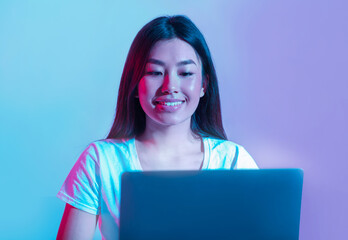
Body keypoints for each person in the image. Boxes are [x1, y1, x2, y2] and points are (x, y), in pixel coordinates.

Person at [56, 15, 258, 240]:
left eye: (186, 73)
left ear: (204, 85)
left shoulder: (233, 161)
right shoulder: (100, 161)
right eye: (155, 72)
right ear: (135, 83)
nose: (170, 86)